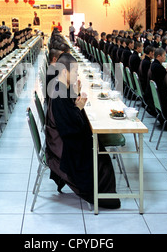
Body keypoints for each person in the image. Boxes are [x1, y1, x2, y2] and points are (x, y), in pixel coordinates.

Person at [45, 53, 120, 209]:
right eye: (75, 71)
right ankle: (100, 194)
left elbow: (69, 114)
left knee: (98, 143)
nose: (77, 75)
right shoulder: (59, 92)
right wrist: (79, 107)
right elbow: (71, 128)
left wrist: (75, 95)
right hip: (63, 146)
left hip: (65, 137)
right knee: (98, 153)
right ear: (65, 72)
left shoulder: (60, 87)